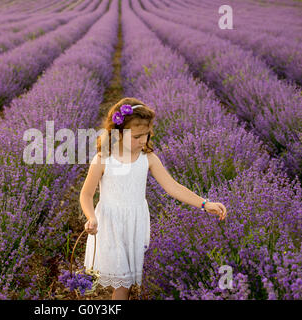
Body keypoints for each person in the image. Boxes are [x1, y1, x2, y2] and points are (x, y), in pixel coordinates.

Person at [79, 97, 227, 300]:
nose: (143, 141)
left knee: (128, 283)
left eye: (146, 135)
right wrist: (91, 217)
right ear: (119, 133)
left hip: (135, 223)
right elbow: (86, 194)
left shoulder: (148, 158)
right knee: (122, 285)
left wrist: (204, 203)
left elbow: (173, 187)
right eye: (137, 136)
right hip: (110, 224)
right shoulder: (104, 158)